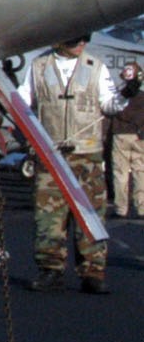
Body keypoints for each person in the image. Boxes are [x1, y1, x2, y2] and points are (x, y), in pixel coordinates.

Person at [28, 35, 122, 293]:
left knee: (90, 214)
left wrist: (127, 92)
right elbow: (25, 103)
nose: (81, 43)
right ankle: (50, 270)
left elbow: (110, 104)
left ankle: (93, 272)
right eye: (74, 39)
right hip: (51, 153)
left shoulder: (96, 67)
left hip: (86, 155)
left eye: (85, 38)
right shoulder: (38, 66)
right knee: (48, 216)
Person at [106, 61, 144, 219]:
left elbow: (109, 112)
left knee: (120, 174)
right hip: (140, 137)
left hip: (120, 135)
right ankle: (142, 208)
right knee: (140, 173)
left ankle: (121, 209)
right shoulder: (143, 97)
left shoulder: (118, 96)